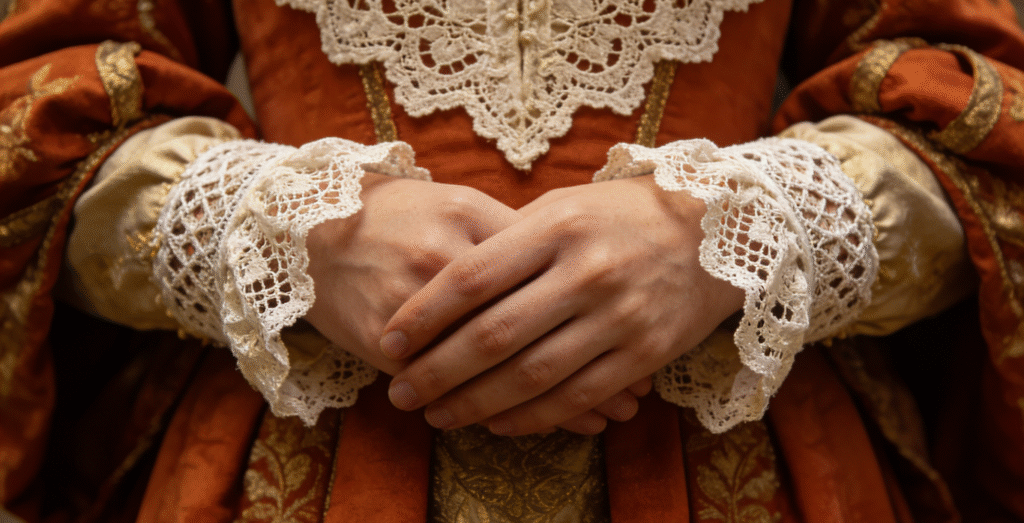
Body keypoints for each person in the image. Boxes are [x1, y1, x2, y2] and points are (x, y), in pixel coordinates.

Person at [1, 0, 1022, 521]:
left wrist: (729, 236)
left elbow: (980, 116)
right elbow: (38, 118)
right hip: (293, 442)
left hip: (738, 441)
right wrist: (291, 231)